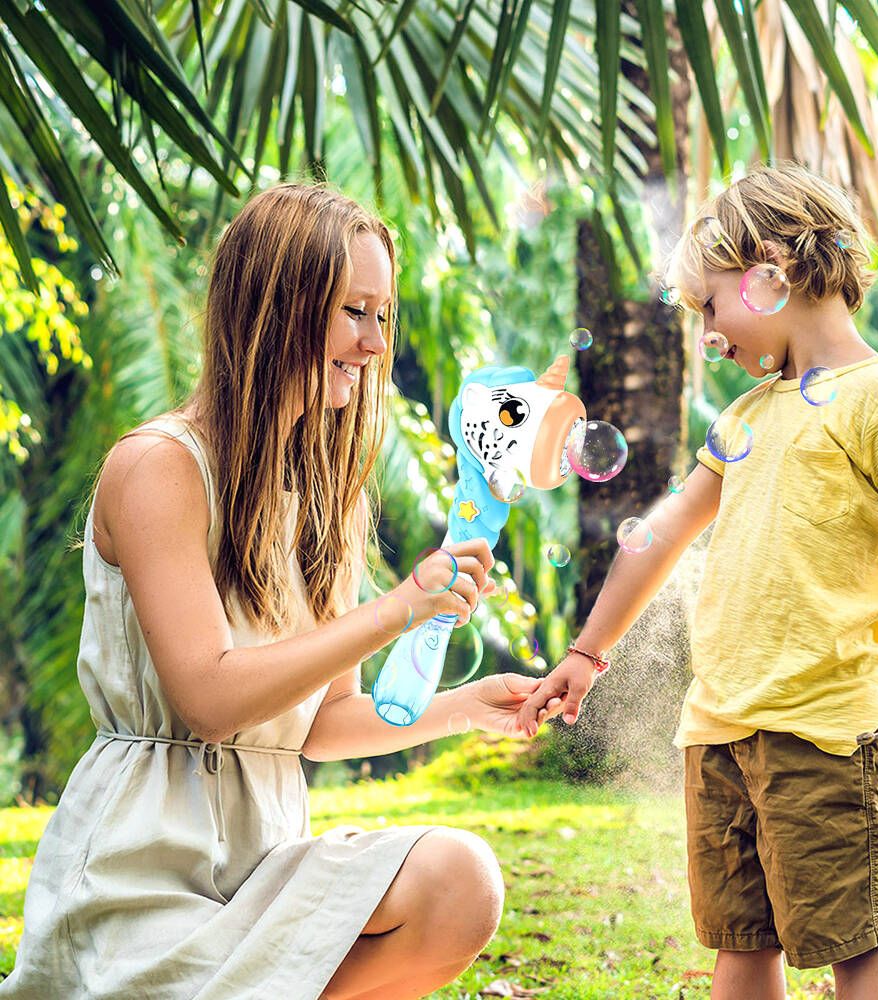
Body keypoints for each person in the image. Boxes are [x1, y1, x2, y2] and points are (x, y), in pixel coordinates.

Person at [1, 183, 563, 1000]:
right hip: (144, 870)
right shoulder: (160, 466)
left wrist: (464, 705)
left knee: (460, 878)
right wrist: (399, 608)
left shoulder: (326, 490)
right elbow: (210, 700)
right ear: (276, 306)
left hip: (266, 865)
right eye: (352, 311)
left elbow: (321, 725)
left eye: (383, 315)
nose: (374, 344)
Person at [516, 162, 878, 999]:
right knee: (741, 943)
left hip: (827, 729)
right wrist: (587, 652)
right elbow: (657, 538)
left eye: (709, 306)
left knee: (855, 942)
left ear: (771, 270)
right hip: (721, 729)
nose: (707, 337)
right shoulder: (743, 419)